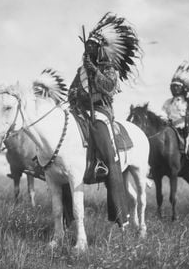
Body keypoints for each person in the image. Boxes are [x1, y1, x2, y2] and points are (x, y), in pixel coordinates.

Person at [68, 12, 141, 227]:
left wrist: (95, 73)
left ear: (100, 49)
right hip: (80, 110)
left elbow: (109, 88)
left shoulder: (108, 68)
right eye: (87, 46)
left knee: (102, 135)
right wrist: (73, 97)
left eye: (92, 46)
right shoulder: (81, 70)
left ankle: (104, 166)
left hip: (100, 111)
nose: (88, 49)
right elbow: (72, 90)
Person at [159, 61, 189, 173]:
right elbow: (162, 114)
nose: (174, 88)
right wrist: (165, 120)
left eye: (177, 86)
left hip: (186, 130)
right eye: (172, 86)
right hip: (171, 129)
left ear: (182, 88)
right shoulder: (168, 102)